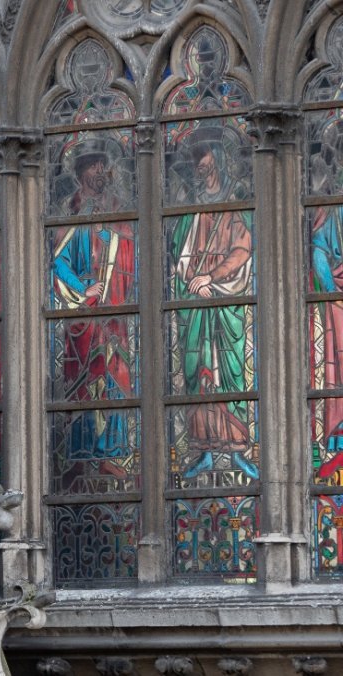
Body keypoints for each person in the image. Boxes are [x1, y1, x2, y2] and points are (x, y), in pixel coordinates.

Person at [170, 129, 256, 481]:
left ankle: (237, 448)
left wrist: (214, 278)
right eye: (195, 161)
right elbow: (181, 253)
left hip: (225, 302)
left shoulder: (234, 204)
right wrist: (192, 279)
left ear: (218, 160)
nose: (198, 167)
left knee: (231, 374)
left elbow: (242, 250)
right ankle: (202, 449)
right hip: (196, 304)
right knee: (197, 376)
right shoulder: (190, 210)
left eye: (203, 158)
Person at [52, 140, 136, 483]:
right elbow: (59, 259)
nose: (101, 172)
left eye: (103, 166)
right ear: (82, 172)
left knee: (114, 379)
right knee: (82, 383)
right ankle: (80, 455)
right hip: (82, 314)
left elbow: (130, 248)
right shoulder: (70, 210)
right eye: (94, 166)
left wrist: (112, 234)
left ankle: (111, 454)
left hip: (113, 312)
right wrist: (82, 288)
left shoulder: (117, 207)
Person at [310, 202, 343, 480]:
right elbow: (318, 247)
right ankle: (338, 433)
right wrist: (331, 291)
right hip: (337, 298)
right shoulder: (330, 210)